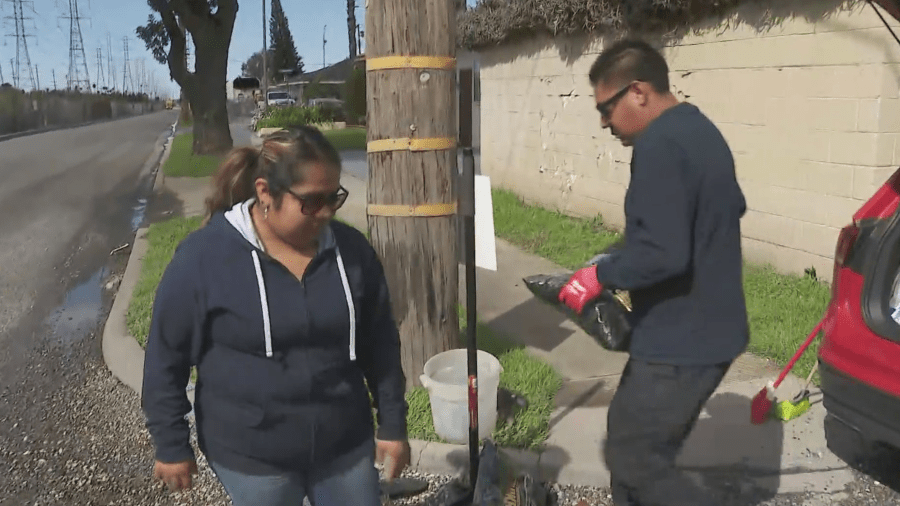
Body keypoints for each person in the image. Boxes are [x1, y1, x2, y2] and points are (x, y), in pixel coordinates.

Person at [141, 126, 410, 506]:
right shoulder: (204, 258)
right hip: (253, 457)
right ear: (265, 192)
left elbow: (380, 343)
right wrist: (171, 444)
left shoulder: (352, 251)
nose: (328, 212)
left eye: (334, 198)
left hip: (344, 446)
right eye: (313, 202)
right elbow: (165, 358)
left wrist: (393, 423)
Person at [557, 39, 749, 506]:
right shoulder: (700, 130)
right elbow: (727, 207)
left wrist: (598, 276)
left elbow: (663, 253)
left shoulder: (659, 144)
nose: (604, 121)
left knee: (635, 463)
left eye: (607, 106)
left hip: (681, 341)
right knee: (631, 447)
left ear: (638, 92)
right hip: (709, 331)